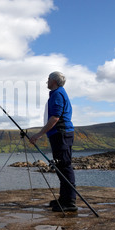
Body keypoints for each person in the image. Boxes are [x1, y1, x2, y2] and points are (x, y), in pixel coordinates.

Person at [29, 71, 77, 212]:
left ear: (54, 81)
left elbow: (55, 117)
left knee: (65, 166)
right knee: (61, 166)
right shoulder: (58, 93)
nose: (46, 81)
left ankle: (70, 202)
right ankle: (64, 199)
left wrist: (38, 134)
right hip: (59, 135)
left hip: (61, 134)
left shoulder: (57, 94)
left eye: (48, 79)